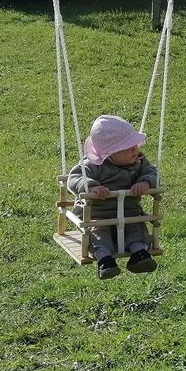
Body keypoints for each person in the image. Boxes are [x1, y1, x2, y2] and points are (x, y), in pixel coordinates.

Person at [66, 114, 160, 279]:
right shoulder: (93, 165)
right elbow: (74, 179)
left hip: (128, 212)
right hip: (97, 215)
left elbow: (151, 172)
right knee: (98, 235)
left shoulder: (138, 161)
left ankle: (139, 255)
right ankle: (105, 261)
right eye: (127, 147)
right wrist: (93, 187)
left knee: (136, 230)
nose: (135, 150)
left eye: (134, 145)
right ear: (109, 152)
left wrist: (145, 182)